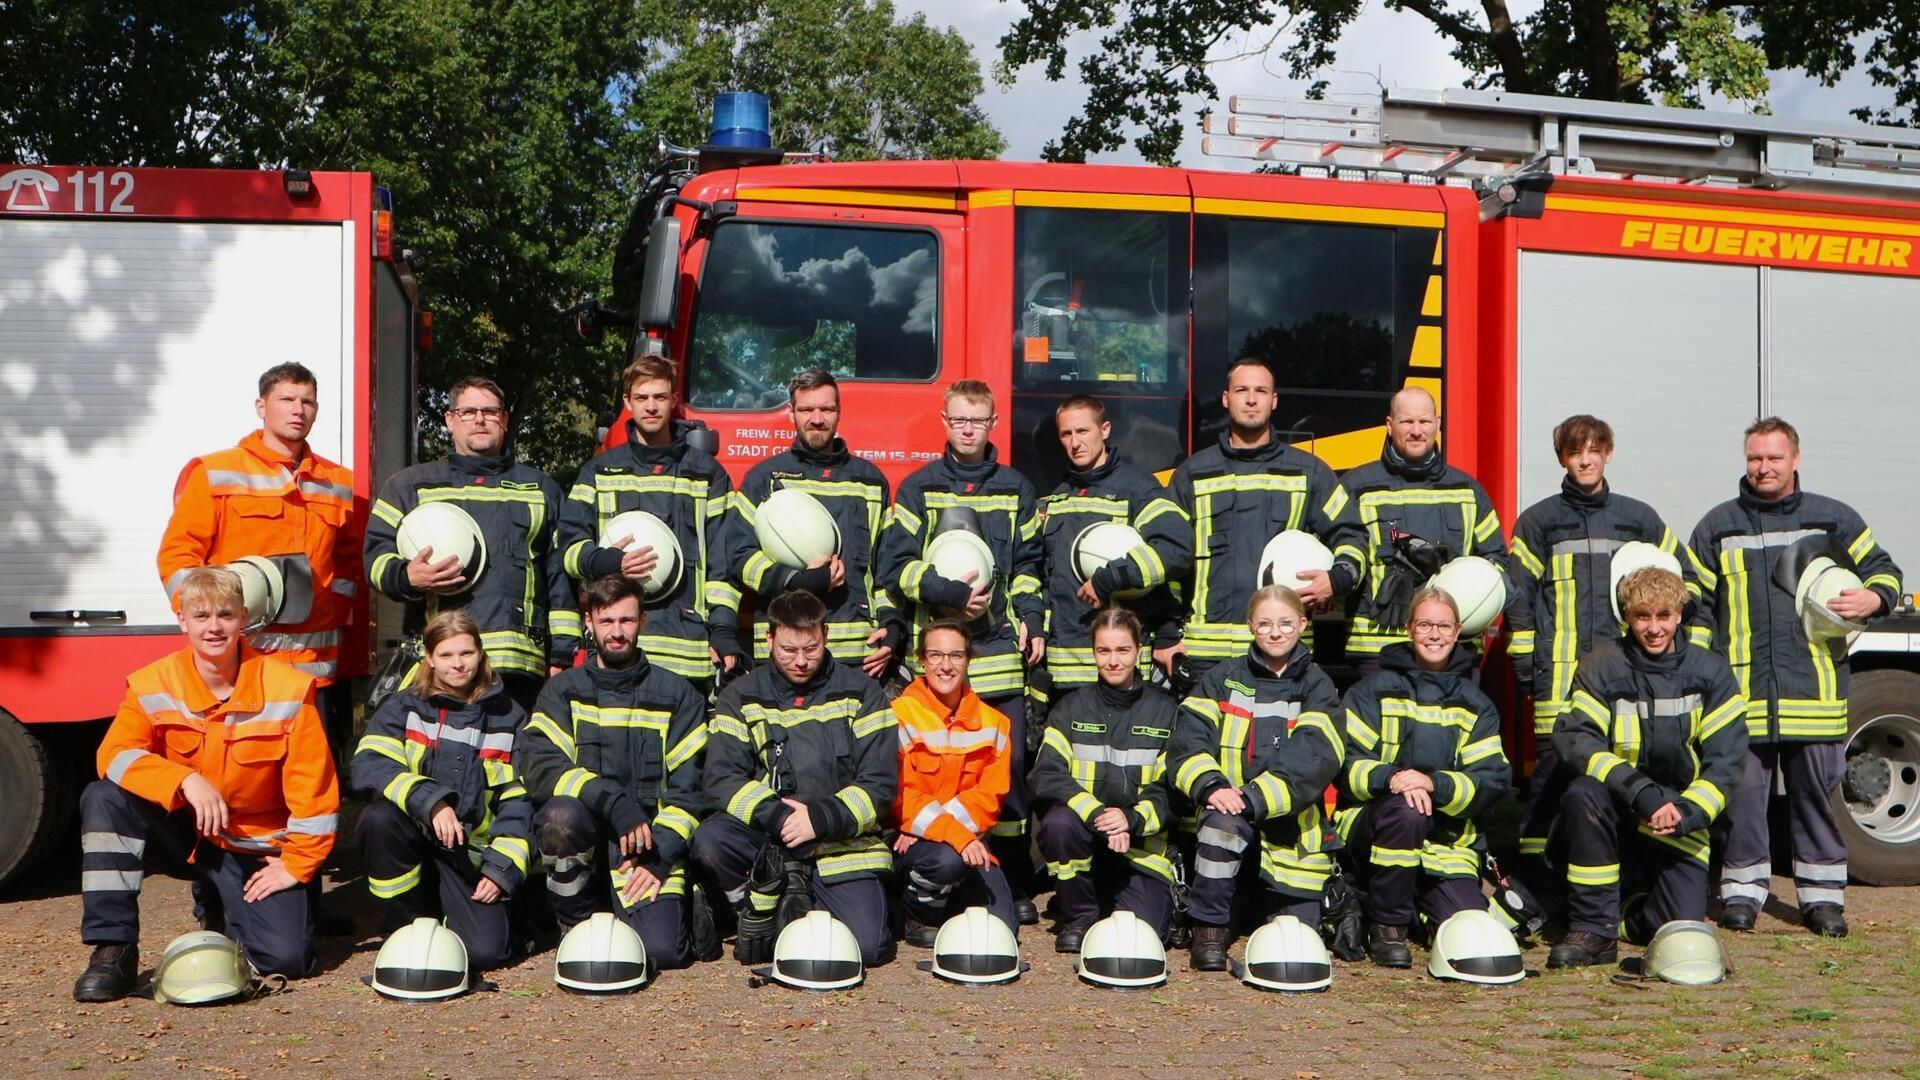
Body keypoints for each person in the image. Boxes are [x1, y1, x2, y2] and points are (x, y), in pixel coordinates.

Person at [73, 567, 339, 1002]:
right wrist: (183, 780)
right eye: (201, 616)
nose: (213, 627)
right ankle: (112, 948)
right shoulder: (152, 683)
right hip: (182, 830)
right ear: (182, 620)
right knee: (103, 798)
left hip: (251, 842)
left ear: (244, 619)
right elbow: (114, 756)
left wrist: (297, 865)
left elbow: (316, 793)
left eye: (225, 615)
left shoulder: (289, 689)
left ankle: (221, 901)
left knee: (285, 960)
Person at [1687, 417, 1902, 937]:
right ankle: (1742, 894)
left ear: (1795, 459)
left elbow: (1883, 570)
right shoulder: (1718, 525)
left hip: (1816, 692)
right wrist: (1701, 679)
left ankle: (1823, 899)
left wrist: (1874, 598)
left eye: (1774, 458)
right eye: (1755, 458)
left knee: (1817, 799)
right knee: (1741, 802)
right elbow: (1695, 606)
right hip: (1742, 695)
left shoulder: (1833, 519)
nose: (1763, 468)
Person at [876, 379, 1045, 922]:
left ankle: (1009, 876)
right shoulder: (918, 487)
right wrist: (946, 593)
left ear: (992, 424)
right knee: (931, 770)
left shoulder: (1016, 487)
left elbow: (1027, 569)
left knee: (1009, 771)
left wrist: (1034, 621)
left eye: (978, 421)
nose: (968, 429)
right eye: (959, 420)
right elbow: (895, 568)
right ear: (944, 422)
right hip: (939, 662)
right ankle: (938, 856)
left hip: (995, 653)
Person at [1505, 415, 1684, 896]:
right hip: (1557, 681)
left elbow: (1680, 581)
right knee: (1547, 782)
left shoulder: (1638, 518)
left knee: (1616, 774)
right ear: (1563, 458)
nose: (1585, 459)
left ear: (1608, 453)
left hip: (1622, 680)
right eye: (1575, 452)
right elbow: (1518, 597)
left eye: (1593, 450)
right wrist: (1526, 664)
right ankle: (1534, 885)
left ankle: (1617, 876)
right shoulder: (1540, 521)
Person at [1547, 567, 1749, 967]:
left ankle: (1625, 913)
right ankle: (1594, 931)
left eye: (1663, 615)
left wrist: (1687, 813)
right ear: (1627, 616)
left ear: (1679, 614)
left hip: (1677, 812)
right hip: (1619, 803)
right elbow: (1577, 741)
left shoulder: (1711, 673)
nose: (1654, 627)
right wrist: (1639, 791)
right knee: (1582, 793)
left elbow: (1726, 762)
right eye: (1642, 616)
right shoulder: (1601, 666)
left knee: (1677, 924)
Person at [158, 362, 361, 748]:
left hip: (309, 669)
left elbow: (348, 561)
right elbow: (177, 554)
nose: (298, 410)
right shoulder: (217, 472)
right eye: (286, 399)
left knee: (308, 780)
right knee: (239, 777)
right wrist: (201, 620)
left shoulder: (338, 482)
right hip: (238, 663)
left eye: (308, 402)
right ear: (261, 406)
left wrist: (333, 611)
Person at [693, 589, 900, 967]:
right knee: (711, 838)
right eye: (788, 650)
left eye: (811, 649)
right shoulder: (740, 696)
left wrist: (818, 820)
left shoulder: (864, 693)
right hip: (770, 840)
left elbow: (881, 784)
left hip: (841, 846)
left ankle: (792, 907)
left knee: (866, 949)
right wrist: (781, 818)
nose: (801, 661)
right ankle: (756, 908)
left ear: (826, 636)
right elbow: (722, 779)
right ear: (768, 639)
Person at [519, 575, 709, 969]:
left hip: (646, 849)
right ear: (588, 622)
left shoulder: (678, 696)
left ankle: (684, 900)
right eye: (606, 622)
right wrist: (611, 800)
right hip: (584, 840)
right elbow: (539, 766)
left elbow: (691, 789)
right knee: (558, 817)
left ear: (643, 622)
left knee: (661, 954)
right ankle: (574, 921)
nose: (616, 633)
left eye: (626, 621)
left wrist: (662, 857)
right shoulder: (562, 691)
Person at [364, 376, 577, 710]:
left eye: (490, 412)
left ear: (504, 419)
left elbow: (560, 579)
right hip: (441, 665)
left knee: (511, 760)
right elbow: (374, 559)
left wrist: (562, 655)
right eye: (468, 412)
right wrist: (407, 577)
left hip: (519, 669)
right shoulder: (409, 486)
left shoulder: (541, 489)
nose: (480, 419)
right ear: (450, 420)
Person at [1168, 585, 1345, 971]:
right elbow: (1186, 742)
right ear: (1250, 626)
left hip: (1292, 830)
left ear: (1302, 624)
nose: (1275, 632)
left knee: (1294, 944)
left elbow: (1315, 757)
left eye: (1285, 623)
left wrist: (1252, 798)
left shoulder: (1318, 686)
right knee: (1220, 826)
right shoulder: (1221, 679)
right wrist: (1212, 786)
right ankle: (1209, 930)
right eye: (1265, 623)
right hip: (1227, 814)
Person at [1337, 587, 1511, 968]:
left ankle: (1408, 909)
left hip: (1446, 845)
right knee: (1407, 811)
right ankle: (1388, 927)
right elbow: (1346, 764)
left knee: (1467, 928)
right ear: (1409, 628)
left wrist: (1434, 784)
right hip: (1376, 830)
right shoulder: (1371, 692)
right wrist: (1393, 778)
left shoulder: (1476, 703)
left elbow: (1491, 779)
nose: (1435, 634)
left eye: (1443, 626)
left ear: (1458, 630)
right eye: (1425, 624)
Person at [351, 610, 533, 971]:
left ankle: (465, 917)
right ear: (429, 659)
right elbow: (368, 764)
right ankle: (401, 925)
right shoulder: (402, 708)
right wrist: (431, 802)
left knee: (485, 954)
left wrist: (501, 869)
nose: (458, 664)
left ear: (481, 655)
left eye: (466, 653)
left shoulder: (510, 717)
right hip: (413, 837)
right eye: (446, 655)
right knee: (377, 819)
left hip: (471, 856)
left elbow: (521, 802)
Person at [1162, 357, 1361, 680]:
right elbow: (1168, 559)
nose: (1251, 399)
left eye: (1261, 391)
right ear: (1226, 399)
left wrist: (1337, 578)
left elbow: (1351, 534)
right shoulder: (1191, 475)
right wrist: (1167, 635)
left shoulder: (1309, 472)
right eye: (1242, 390)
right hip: (1205, 657)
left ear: (1274, 400)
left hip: (1283, 653)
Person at [557, 356, 748, 688]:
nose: (651, 407)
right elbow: (568, 550)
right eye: (642, 398)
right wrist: (606, 561)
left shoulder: (706, 473)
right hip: (616, 646)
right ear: (627, 402)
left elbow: (723, 562)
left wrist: (722, 629)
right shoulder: (599, 470)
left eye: (660, 397)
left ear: (674, 400)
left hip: (687, 648)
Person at [738, 368, 905, 680]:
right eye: (806, 410)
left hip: (856, 656)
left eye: (826, 409)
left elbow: (884, 568)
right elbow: (740, 558)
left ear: (839, 412)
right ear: (791, 413)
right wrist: (794, 580)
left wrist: (892, 624)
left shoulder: (868, 481)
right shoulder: (764, 479)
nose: (817, 418)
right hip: (784, 656)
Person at [1029, 608, 1178, 953]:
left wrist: (1131, 819)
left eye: (1122, 650)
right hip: (1087, 839)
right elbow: (1046, 775)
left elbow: (1172, 790)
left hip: (1140, 845)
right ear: (1093, 653)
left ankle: (1114, 900)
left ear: (1139, 650)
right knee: (1058, 824)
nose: (1113, 661)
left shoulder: (1167, 711)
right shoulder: (1069, 709)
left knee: (1146, 937)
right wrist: (1098, 813)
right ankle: (1079, 917)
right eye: (1104, 651)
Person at [1332, 386, 1506, 667]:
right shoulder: (1356, 487)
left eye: (1424, 421)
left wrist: (1468, 598)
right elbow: (1337, 560)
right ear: (1390, 425)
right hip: (1378, 649)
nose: (1416, 430)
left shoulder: (1468, 490)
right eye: (1407, 421)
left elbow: (1497, 562)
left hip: (1453, 649)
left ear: (1438, 424)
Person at [1041, 394, 1191, 692]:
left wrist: (1108, 580)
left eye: (1083, 431)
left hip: (1119, 671)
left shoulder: (1138, 488)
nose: (1075, 443)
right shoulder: (1059, 496)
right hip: (1063, 673)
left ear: (1105, 429)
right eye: (1066, 434)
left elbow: (1177, 548)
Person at [892, 620, 1018, 944]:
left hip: (965, 839)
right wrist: (957, 837)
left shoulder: (996, 724)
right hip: (913, 841)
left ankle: (947, 901)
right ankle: (917, 911)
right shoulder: (898, 715)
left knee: (1003, 929)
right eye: (935, 655)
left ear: (968, 660)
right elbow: (903, 797)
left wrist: (958, 836)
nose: (945, 666)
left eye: (955, 656)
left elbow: (989, 800)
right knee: (946, 861)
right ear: (921, 659)